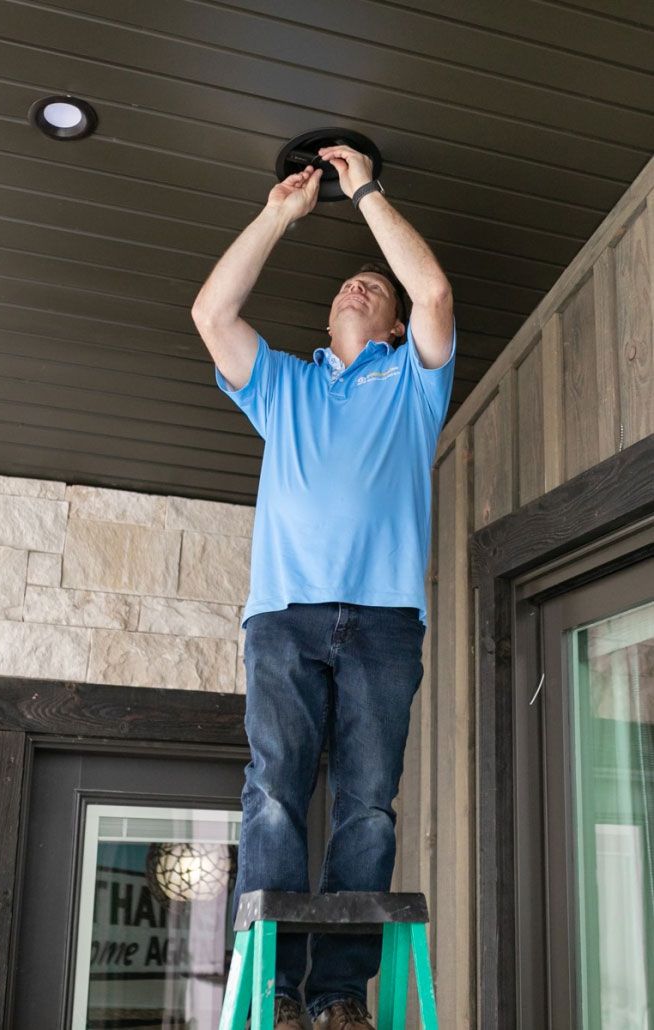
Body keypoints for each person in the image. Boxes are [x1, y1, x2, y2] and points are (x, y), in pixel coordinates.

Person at [190, 146, 455, 1029]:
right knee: (273, 791)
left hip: (383, 622)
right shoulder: (284, 385)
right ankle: (272, 990)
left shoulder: (413, 382)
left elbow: (436, 296)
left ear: (386, 326)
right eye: (346, 281)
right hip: (285, 616)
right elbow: (212, 311)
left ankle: (339, 997)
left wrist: (364, 191)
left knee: (368, 808)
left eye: (372, 286)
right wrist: (279, 213)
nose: (358, 285)